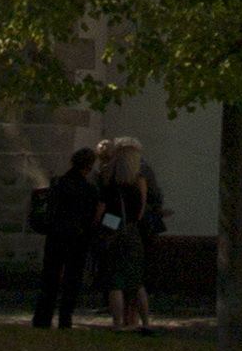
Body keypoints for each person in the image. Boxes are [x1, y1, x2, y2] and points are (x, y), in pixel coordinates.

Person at [30, 149, 98, 333]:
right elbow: (91, 216)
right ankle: (65, 318)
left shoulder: (58, 183)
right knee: (72, 279)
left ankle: (42, 317)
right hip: (78, 238)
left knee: (50, 276)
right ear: (89, 166)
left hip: (56, 235)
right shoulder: (89, 189)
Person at [91, 138, 151, 333]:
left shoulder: (109, 179)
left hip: (113, 229)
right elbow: (140, 211)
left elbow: (102, 210)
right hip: (132, 230)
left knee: (114, 281)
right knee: (136, 280)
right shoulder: (139, 180)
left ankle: (117, 322)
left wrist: (102, 226)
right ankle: (145, 322)